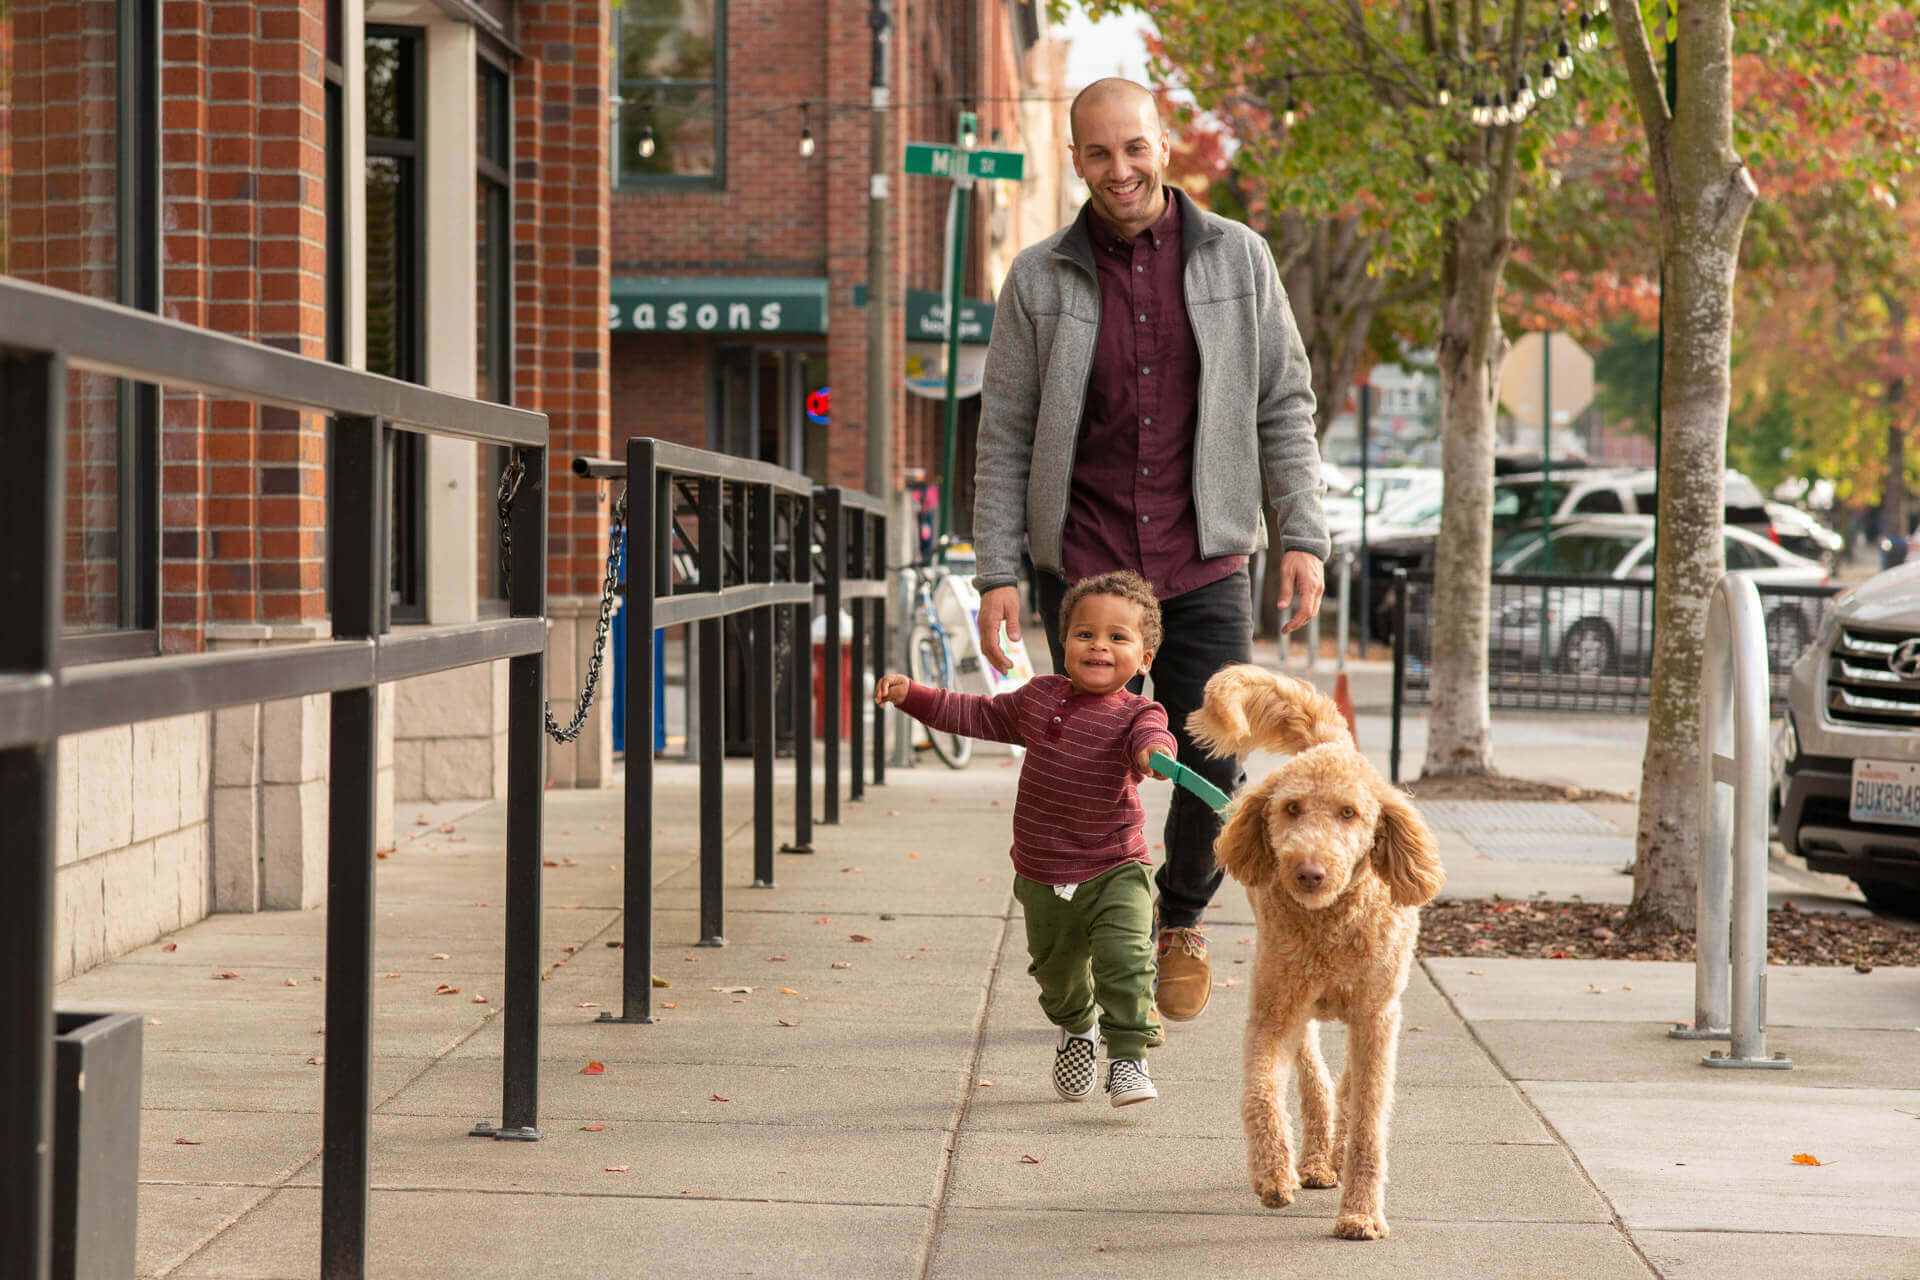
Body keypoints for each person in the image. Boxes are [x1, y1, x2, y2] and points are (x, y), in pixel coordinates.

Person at [970, 77, 1329, 1024]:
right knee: (1092, 761)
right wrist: (997, 568)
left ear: (1163, 147)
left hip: (1204, 556)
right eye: (1097, 153)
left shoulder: (1239, 261)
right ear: (1078, 158)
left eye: (1133, 148)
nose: (1117, 169)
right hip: (1084, 565)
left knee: (1208, 763)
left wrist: (1304, 537)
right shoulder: (1039, 278)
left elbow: (1283, 404)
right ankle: (1102, 923)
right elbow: (1003, 431)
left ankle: (1176, 919)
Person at [876, 571, 1177, 1107]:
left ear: (1146, 658)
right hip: (1042, 870)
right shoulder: (1038, 699)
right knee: (1055, 971)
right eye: (1084, 634)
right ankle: (1077, 1027)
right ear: (1063, 644)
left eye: (1117, 637)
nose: (1099, 646)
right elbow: (975, 713)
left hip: (1116, 865)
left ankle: (1129, 1056)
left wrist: (1154, 756)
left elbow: (1154, 738)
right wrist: (914, 696)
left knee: (1127, 958)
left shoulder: (1140, 713)